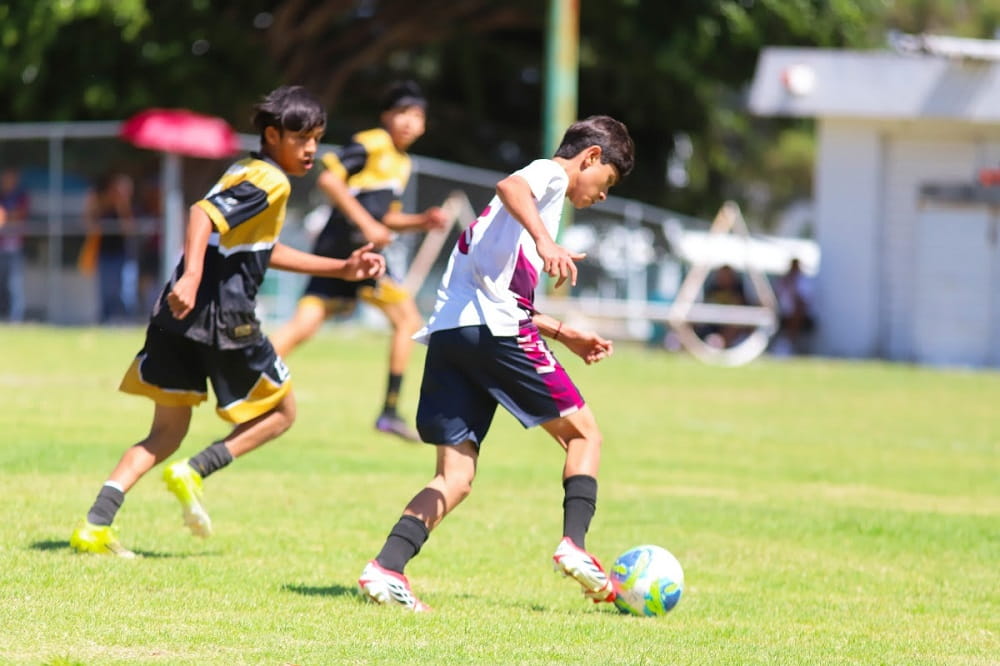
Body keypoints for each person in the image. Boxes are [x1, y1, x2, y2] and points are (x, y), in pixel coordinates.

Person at [69, 86, 386, 557]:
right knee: (282, 412)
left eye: (317, 139)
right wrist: (194, 274)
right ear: (273, 135)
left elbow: (261, 249)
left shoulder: (243, 170)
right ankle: (195, 470)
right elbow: (201, 215)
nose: (311, 150)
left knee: (164, 433)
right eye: (301, 139)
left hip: (176, 315)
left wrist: (338, 268)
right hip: (224, 319)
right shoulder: (269, 180)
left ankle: (95, 524)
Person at [356, 115, 635, 611]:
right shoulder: (550, 176)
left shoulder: (507, 223)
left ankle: (385, 568)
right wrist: (548, 243)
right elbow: (512, 184)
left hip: (451, 335)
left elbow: (495, 291)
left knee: (455, 478)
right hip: (494, 333)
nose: (603, 194)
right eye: (607, 182)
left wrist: (562, 330)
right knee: (585, 435)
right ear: (591, 159)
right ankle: (574, 543)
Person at [270, 80, 449, 442]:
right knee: (408, 319)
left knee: (306, 323)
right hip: (350, 250)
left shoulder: (403, 163)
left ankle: (249, 384)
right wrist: (367, 224)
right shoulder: (372, 142)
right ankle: (388, 412)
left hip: (350, 250)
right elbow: (330, 180)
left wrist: (420, 222)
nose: (409, 122)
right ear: (386, 117)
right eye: (402, 114)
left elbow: (388, 216)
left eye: (417, 116)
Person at [83, 172, 138, 323]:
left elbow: (129, 230)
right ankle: (105, 322)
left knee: (125, 292)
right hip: (105, 254)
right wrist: (93, 205)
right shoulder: (103, 208)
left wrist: (122, 206)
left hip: (123, 255)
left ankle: (127, 321)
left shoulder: (130, 208)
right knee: (106, 291)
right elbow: (90, 225)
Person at [0, 167, 29, 322]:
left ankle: (15, 320)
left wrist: (6, 216)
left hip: (15, 249)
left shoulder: (21, 196)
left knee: (14, 287)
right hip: (1, 248)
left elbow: (20, 215)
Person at [773, 257, 816, 355]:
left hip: (798, 314)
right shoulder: (783, 280)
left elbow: (804, 301)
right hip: (781, 312)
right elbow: (775, 296)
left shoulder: (803, 281)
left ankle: (788, 343)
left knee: (797, 313)